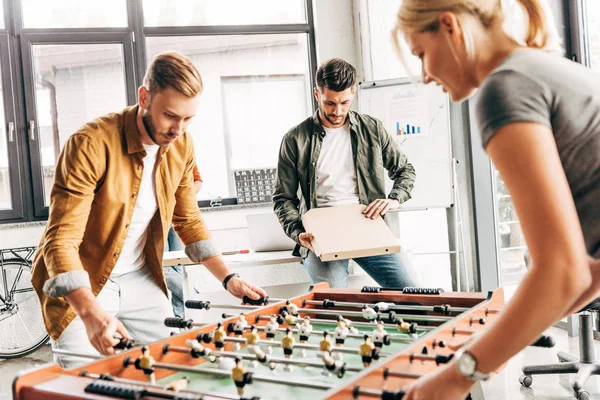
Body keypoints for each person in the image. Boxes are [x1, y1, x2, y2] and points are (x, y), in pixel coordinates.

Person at [391, 1, 600, 399]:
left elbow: (562, 270)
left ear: (450, 27)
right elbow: (588, 272)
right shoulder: (543, 68)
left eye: (421, 54)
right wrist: (502, 340)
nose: (425, 75)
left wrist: (455, 377)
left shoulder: (504, 88)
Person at [31, 51, 266, 368]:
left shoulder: (182, 145)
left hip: (140, 279)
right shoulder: (89, 144)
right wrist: (90, 312)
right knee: (85, 383)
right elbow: (60, 242)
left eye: (188, 119)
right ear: (144, 97)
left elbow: (188, 220)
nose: (178, 129)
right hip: (83, 287)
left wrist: (229, 279)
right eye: (170, 115)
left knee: (180, 364)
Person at [273, 58, 422, 289]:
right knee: (334, 302)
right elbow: (283, 198)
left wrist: (394, 200)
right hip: (321, 231)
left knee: (414, 291)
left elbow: (405, 170)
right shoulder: (295, 139)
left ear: (353, 92)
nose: (338, 111)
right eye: (329, 103)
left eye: (345, 102)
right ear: (316, 94)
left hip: (368, 223)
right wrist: (297, 233)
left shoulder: (372, 129)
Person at [164, 163, 202, 318]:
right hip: (155, 218)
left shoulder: (182, 150)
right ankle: (195, 297)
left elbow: (198, 181)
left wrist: (182, 195)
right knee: (163, 268)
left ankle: (182, 319)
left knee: (178, 267)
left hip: (181, 215)